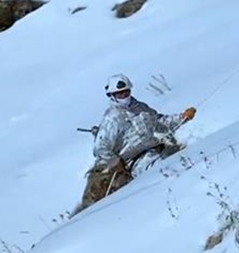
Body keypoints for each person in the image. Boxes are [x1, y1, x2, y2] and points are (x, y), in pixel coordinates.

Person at [76, 75, 196, 211]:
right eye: (119, 93)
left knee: (177, 161)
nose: (124, 95)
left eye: (126, 92)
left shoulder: (141, 108)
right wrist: (115, 163)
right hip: (134, 162)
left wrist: (183, 117)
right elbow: (100, 148)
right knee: (161, 171)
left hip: (154, 150)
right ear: (112, 95)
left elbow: (160, 122)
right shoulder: (112, 118)